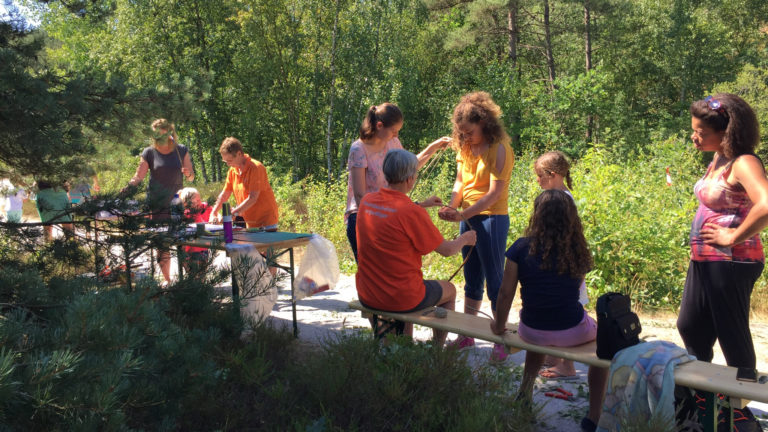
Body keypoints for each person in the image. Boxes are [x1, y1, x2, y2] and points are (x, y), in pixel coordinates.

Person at [490, 190, 608, 432]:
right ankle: (594, 416)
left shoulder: (520, 248)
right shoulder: (578, 250)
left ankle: (525, 392)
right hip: (572, 331)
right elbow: (571, 292)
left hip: (531, 330)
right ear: (571, 218)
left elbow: (505, 293)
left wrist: (499, 326)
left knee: (541, 325)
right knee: (603, 348)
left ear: (537, 215)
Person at [677, 93, 768, 371]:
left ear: (726, 133)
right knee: (691, 327)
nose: (694, 137)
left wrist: (731, 236)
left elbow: (766, 203)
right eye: (693, 130)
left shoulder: (744, 162)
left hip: (732, 261)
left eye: (701, 132)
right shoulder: (719, 158)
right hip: (706, 260)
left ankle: (739, 411)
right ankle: (702, 399)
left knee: (732, 336)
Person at [356, 149, 476, 345]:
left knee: (403, 304)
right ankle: (437, 351)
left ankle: (398, 348)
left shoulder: (367, 202)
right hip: (402, 298)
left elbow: (393, 211)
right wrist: (465, 238)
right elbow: (447, 250)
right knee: (450, 290)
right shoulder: (410, 212)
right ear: (410, 179)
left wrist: (423, 204)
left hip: (368, 293)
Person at [437, 91, 515, 362]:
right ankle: (467, 335)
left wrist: (462, 214)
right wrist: (451, 206)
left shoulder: (500, 148)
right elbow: (460, 182)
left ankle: (500, 338)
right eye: (461, 133)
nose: (465, 137)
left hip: (492, 218)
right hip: (468, 216)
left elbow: (494, 194)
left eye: (469, 132)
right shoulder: (465, 148)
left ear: (485, 123)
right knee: (471, 278)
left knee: (495, 280)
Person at [344, 103, 451, 261]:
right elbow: (360, 196)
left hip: (388, 215)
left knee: (390, 275)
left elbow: (408, 165)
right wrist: (381, 221)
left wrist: (433, 147)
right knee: (374, 275)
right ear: (379, 126)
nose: (396, 135)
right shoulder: (358, 149)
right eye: (394, 131)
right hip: (364, 218)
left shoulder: (392, 143)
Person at [534, 151, 588, 380]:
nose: (537, 180)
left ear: (553, 175)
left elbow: (569, 238)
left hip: (567, 266)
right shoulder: (552, 196)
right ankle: (554, 357)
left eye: (539, 176)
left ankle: (568, 364)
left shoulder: (565, 200)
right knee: (554, 307)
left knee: (571, 312)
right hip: (554, 263)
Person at [123, 118, 195, 285]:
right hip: (156, 204)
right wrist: (126, 190)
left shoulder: (181, 150)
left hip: (177, 203)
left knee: (183, 242)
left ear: (169, 131)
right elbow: (139, 176)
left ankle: (190, 280)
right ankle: (167, 280)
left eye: (161, 131)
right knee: (161, 244)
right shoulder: (149, 152)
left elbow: (191, 177)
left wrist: (188, 174)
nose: (157, 135)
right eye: (155, 132)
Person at [209, 137, 279, 231]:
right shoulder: (232, 171)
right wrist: (213, 212)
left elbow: (253, 198)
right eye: (225, 161)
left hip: (266, 223)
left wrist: (232, 214)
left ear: (239, 154)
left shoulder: (255, 168)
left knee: (265, 246)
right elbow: (225, 194)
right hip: (250, 223)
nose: (228, 164)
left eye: (229, 161)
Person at [177, 187, 213, 273]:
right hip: (191, 250)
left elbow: (214, 213)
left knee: (202, 272)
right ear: (186, 203)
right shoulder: (186, 214)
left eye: (199, 200)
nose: (199, 203)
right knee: (193, 273)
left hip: (203, 248)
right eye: (195, 201)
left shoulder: (205, 207)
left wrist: (216, 217)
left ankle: (201, 284)